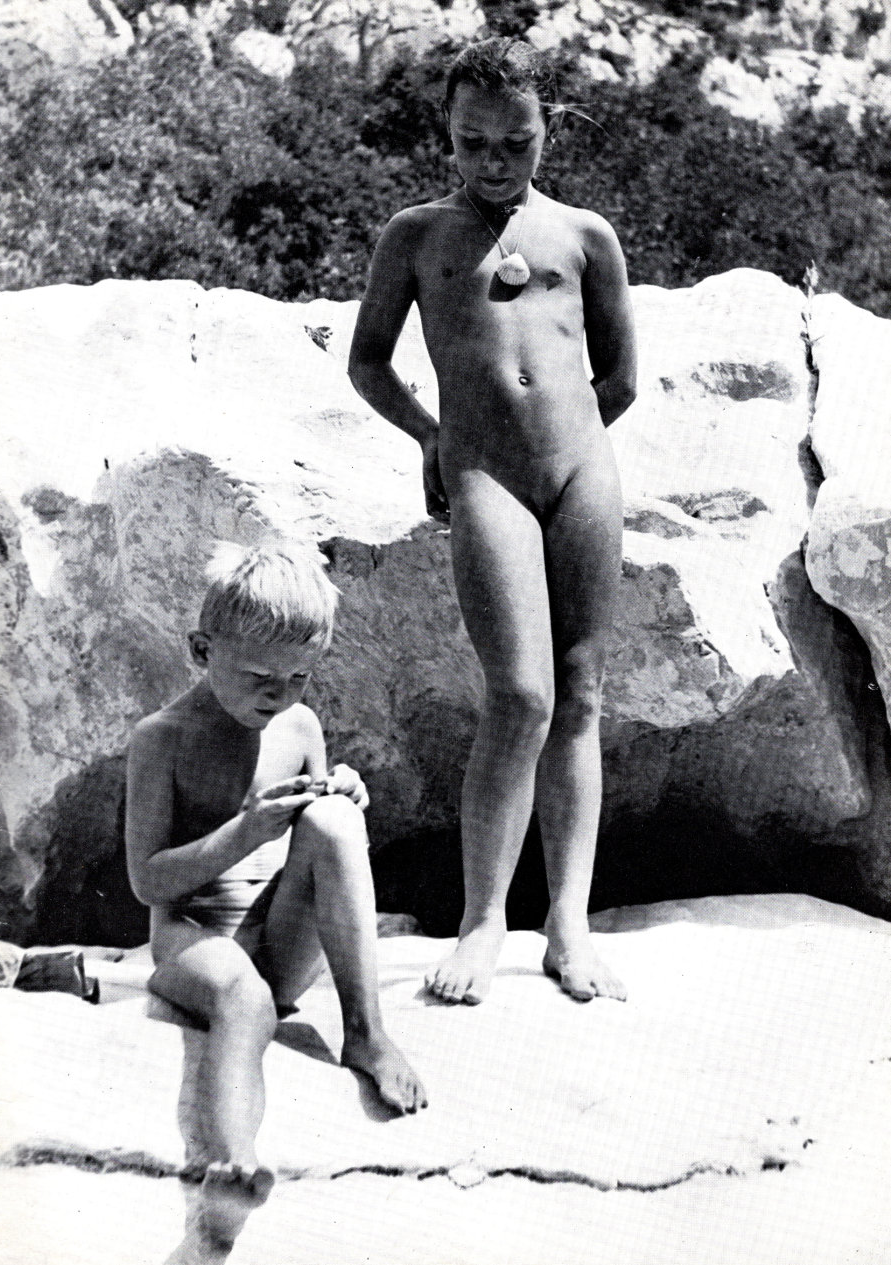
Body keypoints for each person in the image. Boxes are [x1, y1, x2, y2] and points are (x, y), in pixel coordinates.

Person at [348, 37, 637, 1006]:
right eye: (472, 142)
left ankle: (569, 925)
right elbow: (368, 362)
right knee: (520, 694)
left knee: (581, 693)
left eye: (516, 143)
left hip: (582, 471)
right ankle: (483, 920)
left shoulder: (585, 236)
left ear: (549, 130)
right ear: (446, 130)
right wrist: (435, 437)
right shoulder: (416, 235)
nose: (494, 162)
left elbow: (620, 378)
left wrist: (566, 438)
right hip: (484, 477)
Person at [125, 543, 426, 1249]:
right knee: (247, 1000)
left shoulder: (299, 726)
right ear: (202, 650)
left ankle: (365, 1031)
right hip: (195, 939)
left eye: (299, 676)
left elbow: (314, 839)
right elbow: (147, 882)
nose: (279, 694)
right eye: (260, 676)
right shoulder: (161, 740)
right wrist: (243, 832)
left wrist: (341, 792)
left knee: (336, 819)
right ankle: (233, 1167)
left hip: (279, 940)